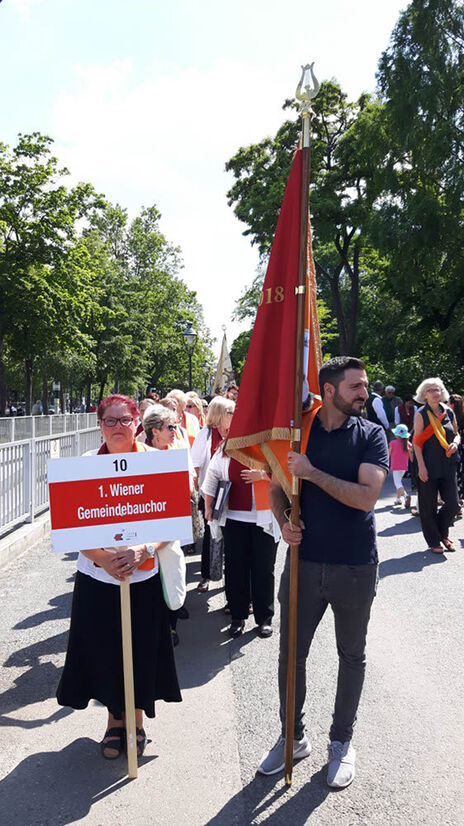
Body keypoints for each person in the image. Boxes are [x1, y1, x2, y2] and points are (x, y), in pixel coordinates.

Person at [258, 356, 388, 789]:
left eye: (364, 386)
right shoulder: (299, 433)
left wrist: (312, 473)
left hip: (355, 565)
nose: (364, 393)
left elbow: (367, 498)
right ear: (329, 390)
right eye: (355, 386)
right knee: (290, 655)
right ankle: (292, 737)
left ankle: (341, 742)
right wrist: (282, 522)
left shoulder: (371, 435)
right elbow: (276, 487)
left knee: (351, 656)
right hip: (303, 563)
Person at [56, 395, 181, 759]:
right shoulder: (83, 466)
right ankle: (114, 722)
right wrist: (102, 560)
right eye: (109, 421)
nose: (117, 427)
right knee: (105, 650)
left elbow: (171, 524)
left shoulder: (157, 463)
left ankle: (137, 721)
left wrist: (144, 549)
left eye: (124, 420)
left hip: (142, 577)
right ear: (100, 425)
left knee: (140, 650)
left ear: (136, 422)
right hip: (99, 577)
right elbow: (71, 528)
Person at [202, 410, 279, 639]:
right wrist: (208, 506)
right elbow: (212, 477)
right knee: (235, 568)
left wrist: (264, 475)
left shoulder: (269, 445)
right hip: (234, 517)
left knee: (263, 569)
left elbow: (286, 473)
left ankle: (264, 617)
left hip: (263, 518)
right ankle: (237, 616)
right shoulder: (225, 449)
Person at [191, 396, 235, 592]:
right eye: (229, 412)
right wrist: (197, 493)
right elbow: (196, 466)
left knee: (231, 539)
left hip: (231, 493)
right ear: (218, 415)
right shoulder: (206, 434)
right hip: (210, 493)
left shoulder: (235, 433)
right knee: (211, 536)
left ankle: (231, 584)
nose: (233, 415)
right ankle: (206, 576)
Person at [412, 378, 460, 553]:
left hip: (448, 465)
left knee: (454, 504)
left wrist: (455, 443)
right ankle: (435, 541)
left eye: (438, 389)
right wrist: (421, 467)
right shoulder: (421, 414)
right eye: (431, 390)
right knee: (428, 506)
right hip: (428, 466)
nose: (435, 392)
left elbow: (456, 434)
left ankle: (442, 532)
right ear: (424, 394)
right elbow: (416, 443)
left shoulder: (448, 412)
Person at [389, 424, 412, 507]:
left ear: (397, 434)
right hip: (404, 467)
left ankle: (406, 496)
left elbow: (389, 453)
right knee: (399, 482)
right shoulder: (408, 444)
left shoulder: (393, 443)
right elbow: (411, 456)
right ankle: (398, 499)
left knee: (398, 483)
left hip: (395, 466)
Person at [448, 394, 463, 515]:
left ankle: (457, 505)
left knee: (455, 476)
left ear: (452, 404)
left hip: (455, 449)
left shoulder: (450, 417)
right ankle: (460, 500)